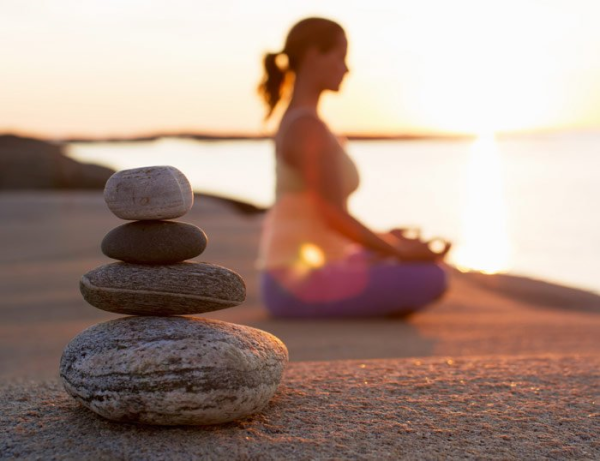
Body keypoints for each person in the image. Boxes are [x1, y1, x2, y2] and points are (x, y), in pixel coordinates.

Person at [256, 17, 451, 318]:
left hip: (307, 269)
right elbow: (333, 215)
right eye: (340, 56)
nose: (347, 69)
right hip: (295, 283)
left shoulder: (303, 121)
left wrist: (386, 239)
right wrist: (398, 251)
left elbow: (327, 218)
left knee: (400, 256)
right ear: (312, 54)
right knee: (433, 276)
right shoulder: (306, 127)